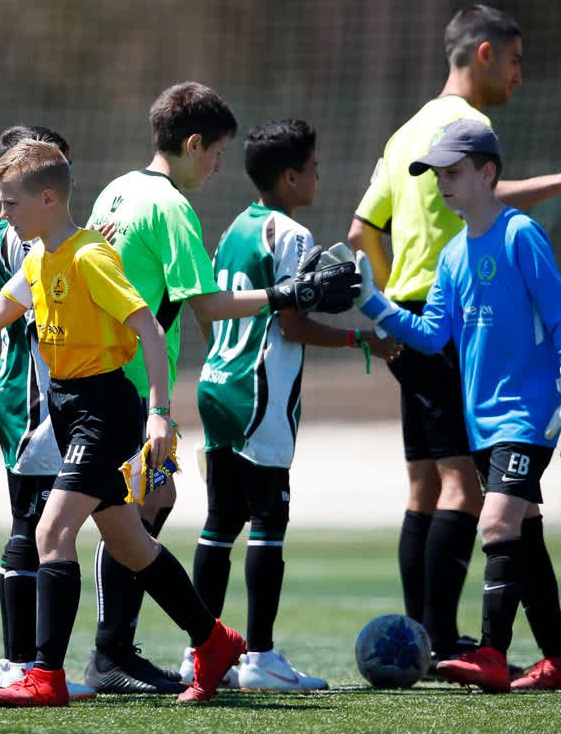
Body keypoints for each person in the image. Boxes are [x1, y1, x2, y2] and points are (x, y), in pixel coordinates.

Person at [0, 138, 346, 707]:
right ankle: (213, 641)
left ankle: (46, 676)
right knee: (131, 544)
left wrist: (159, 415)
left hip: (104, 410)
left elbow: (152, 331)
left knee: (51, 532)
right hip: (71, 408)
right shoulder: (41, 257)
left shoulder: (89, 256)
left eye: (11, 204)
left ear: (46, 198)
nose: (4, 215)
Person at [347, 4, 561, 670]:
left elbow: (560, 320)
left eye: (451, 174)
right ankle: (552, 658)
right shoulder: (454, 241)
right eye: (438, 175)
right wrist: (370, 303)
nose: (442, 184)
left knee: (482, 512)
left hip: (520, 408)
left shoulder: (510, 226)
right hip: (467, 390)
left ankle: (477, 649)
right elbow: (427, 324)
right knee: (513, 524)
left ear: (483, 172)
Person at [82, 81, 360, 692]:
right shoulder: (171, 207)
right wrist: (286, 294)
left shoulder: (116, 191)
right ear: (192, 143)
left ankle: (119, 650)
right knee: (122, 514)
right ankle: (110, 653)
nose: (216, 166)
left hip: (114, 378)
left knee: (154, 502)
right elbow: (208, 307)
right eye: (214, 153)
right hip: (130, 389)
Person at [184, 119, 398, 692]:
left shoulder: (234, 228)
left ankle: (197, 652)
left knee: (220, 522)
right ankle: (260, 657)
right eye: (315, 167)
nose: (319, 177)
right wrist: (359, 338)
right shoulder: (292, 236)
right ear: (290, 175)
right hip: (260, 391)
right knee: (268, 522)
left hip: (217, 383)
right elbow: (291, 323)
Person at [0, 125, 96, 699]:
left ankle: (36, 660)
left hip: (41, 398)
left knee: (50, 522)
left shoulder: (40, 233)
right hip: (35, 399)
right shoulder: (31, 239)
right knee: (34, 525)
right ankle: (20, 662)